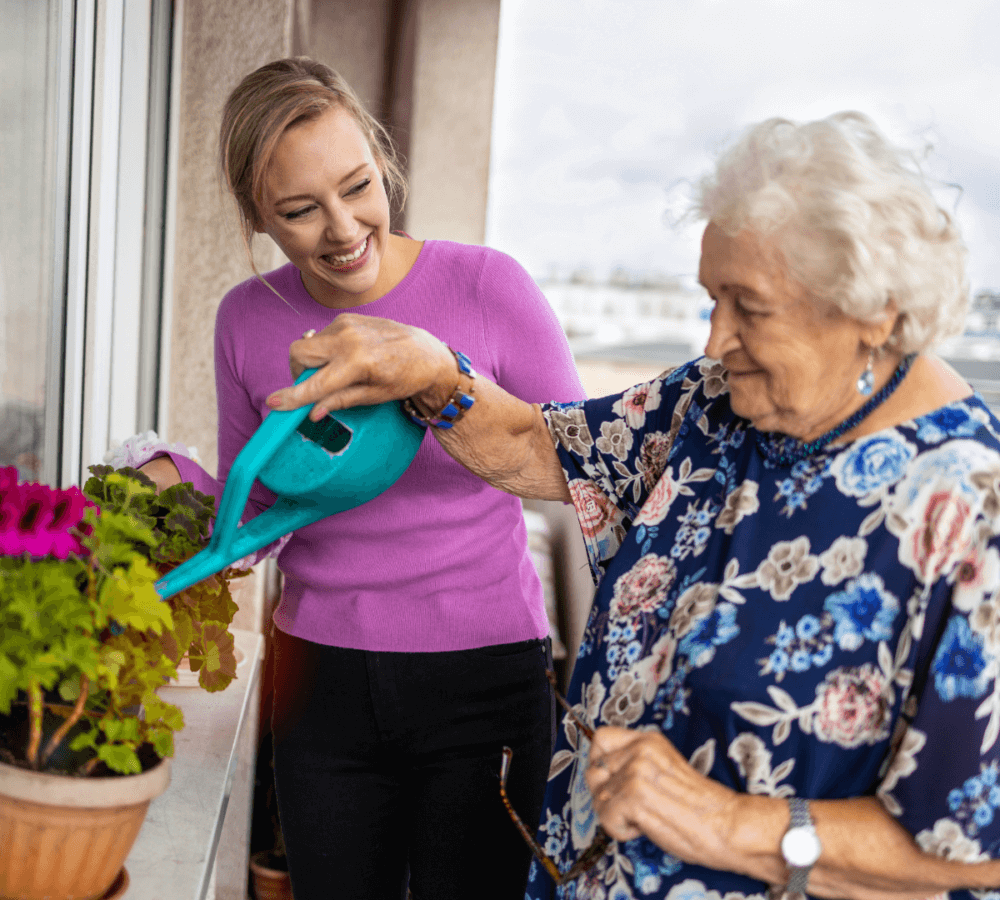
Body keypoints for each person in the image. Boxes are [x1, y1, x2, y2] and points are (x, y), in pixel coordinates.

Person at [264, 111, 1000, 900]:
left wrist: (728, 824)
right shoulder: (714, 401)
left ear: (874, 311)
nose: (715, 340)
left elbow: (978, 848)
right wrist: (436, 376)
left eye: (749, 307)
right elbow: (539, 445)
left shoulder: (968, 510)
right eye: (713, 299)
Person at [134, 57, 585, 899]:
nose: (342, 229)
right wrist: (166, 489)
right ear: (258, 216)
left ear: (383, 161)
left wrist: (442, 383)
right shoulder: (247, 317)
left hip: (482, 674)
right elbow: (259, 509)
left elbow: (585, 470)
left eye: (358, 187)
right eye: (300, 211)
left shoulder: (487, 287)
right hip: (321, 681)